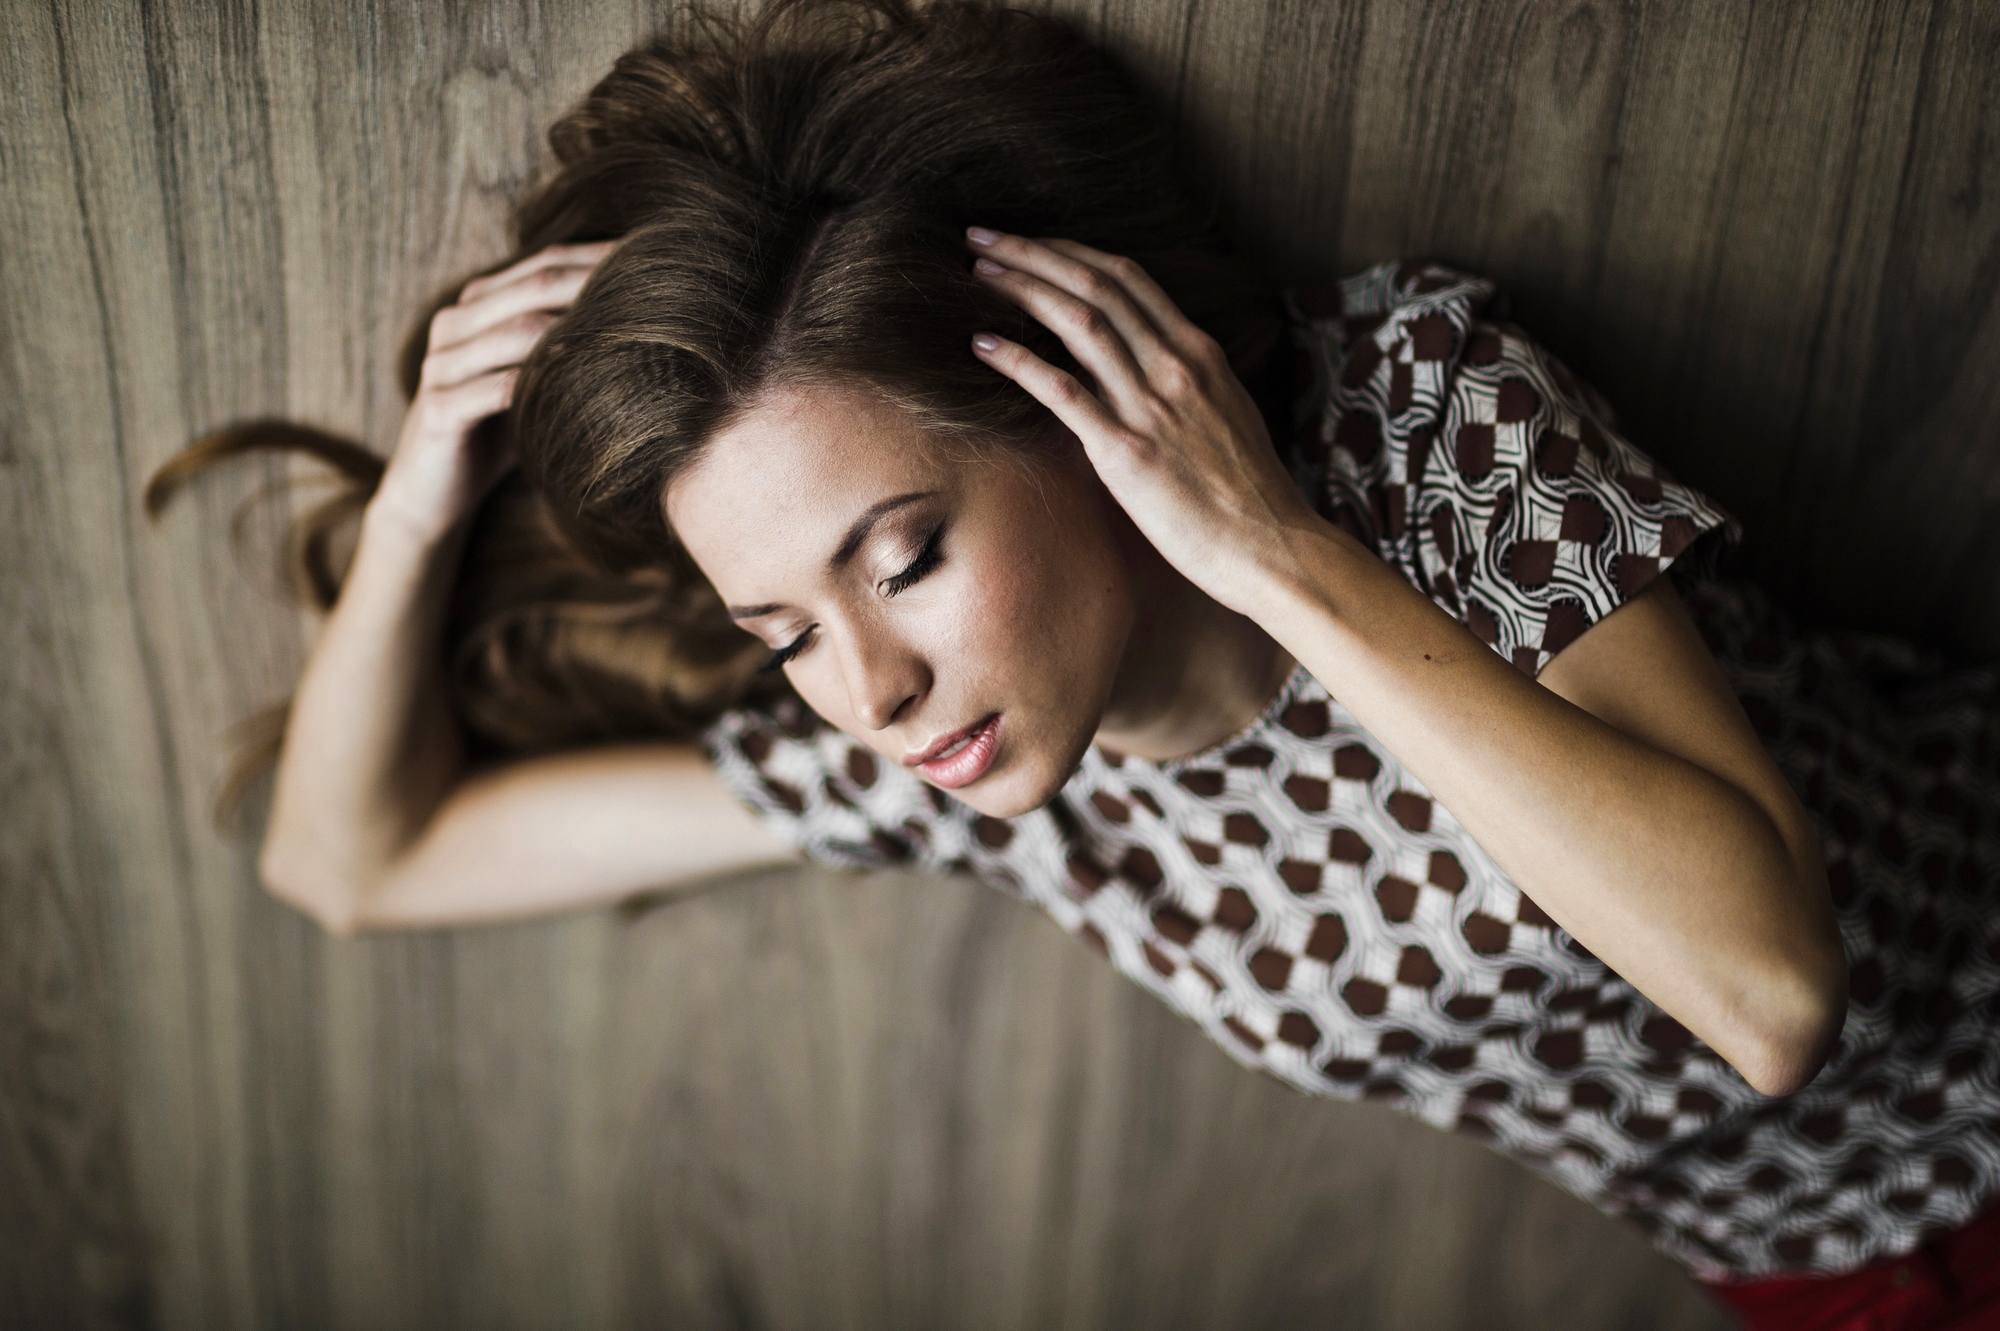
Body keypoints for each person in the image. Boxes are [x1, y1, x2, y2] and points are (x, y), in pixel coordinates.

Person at [147, 0, 2000, 1325]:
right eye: (781, 630)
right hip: (1815, 1272)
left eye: (910, 556)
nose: (864, 686)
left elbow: (1761, 991)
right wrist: (418, 508)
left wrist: (1274, 554)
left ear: (1092, 416)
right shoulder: (970, 779)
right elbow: (352, 863)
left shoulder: (1413, 418)